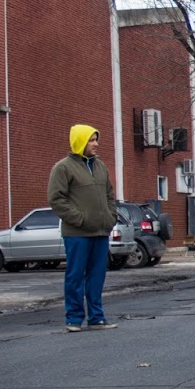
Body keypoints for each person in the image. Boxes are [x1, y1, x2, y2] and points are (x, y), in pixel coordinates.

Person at [48, 124, 119, 331]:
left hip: (101, 232)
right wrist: (79, 219)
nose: (96, 144)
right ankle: (74, 318)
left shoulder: (100, 167)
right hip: (77, 233)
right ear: (80, 142)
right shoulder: (63, 168)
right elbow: (56, 199)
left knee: (97, 276)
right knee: (75, 275)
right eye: (91, 140)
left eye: (96, 140)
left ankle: (96, 317)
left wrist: (110, 217)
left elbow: (110, 196)